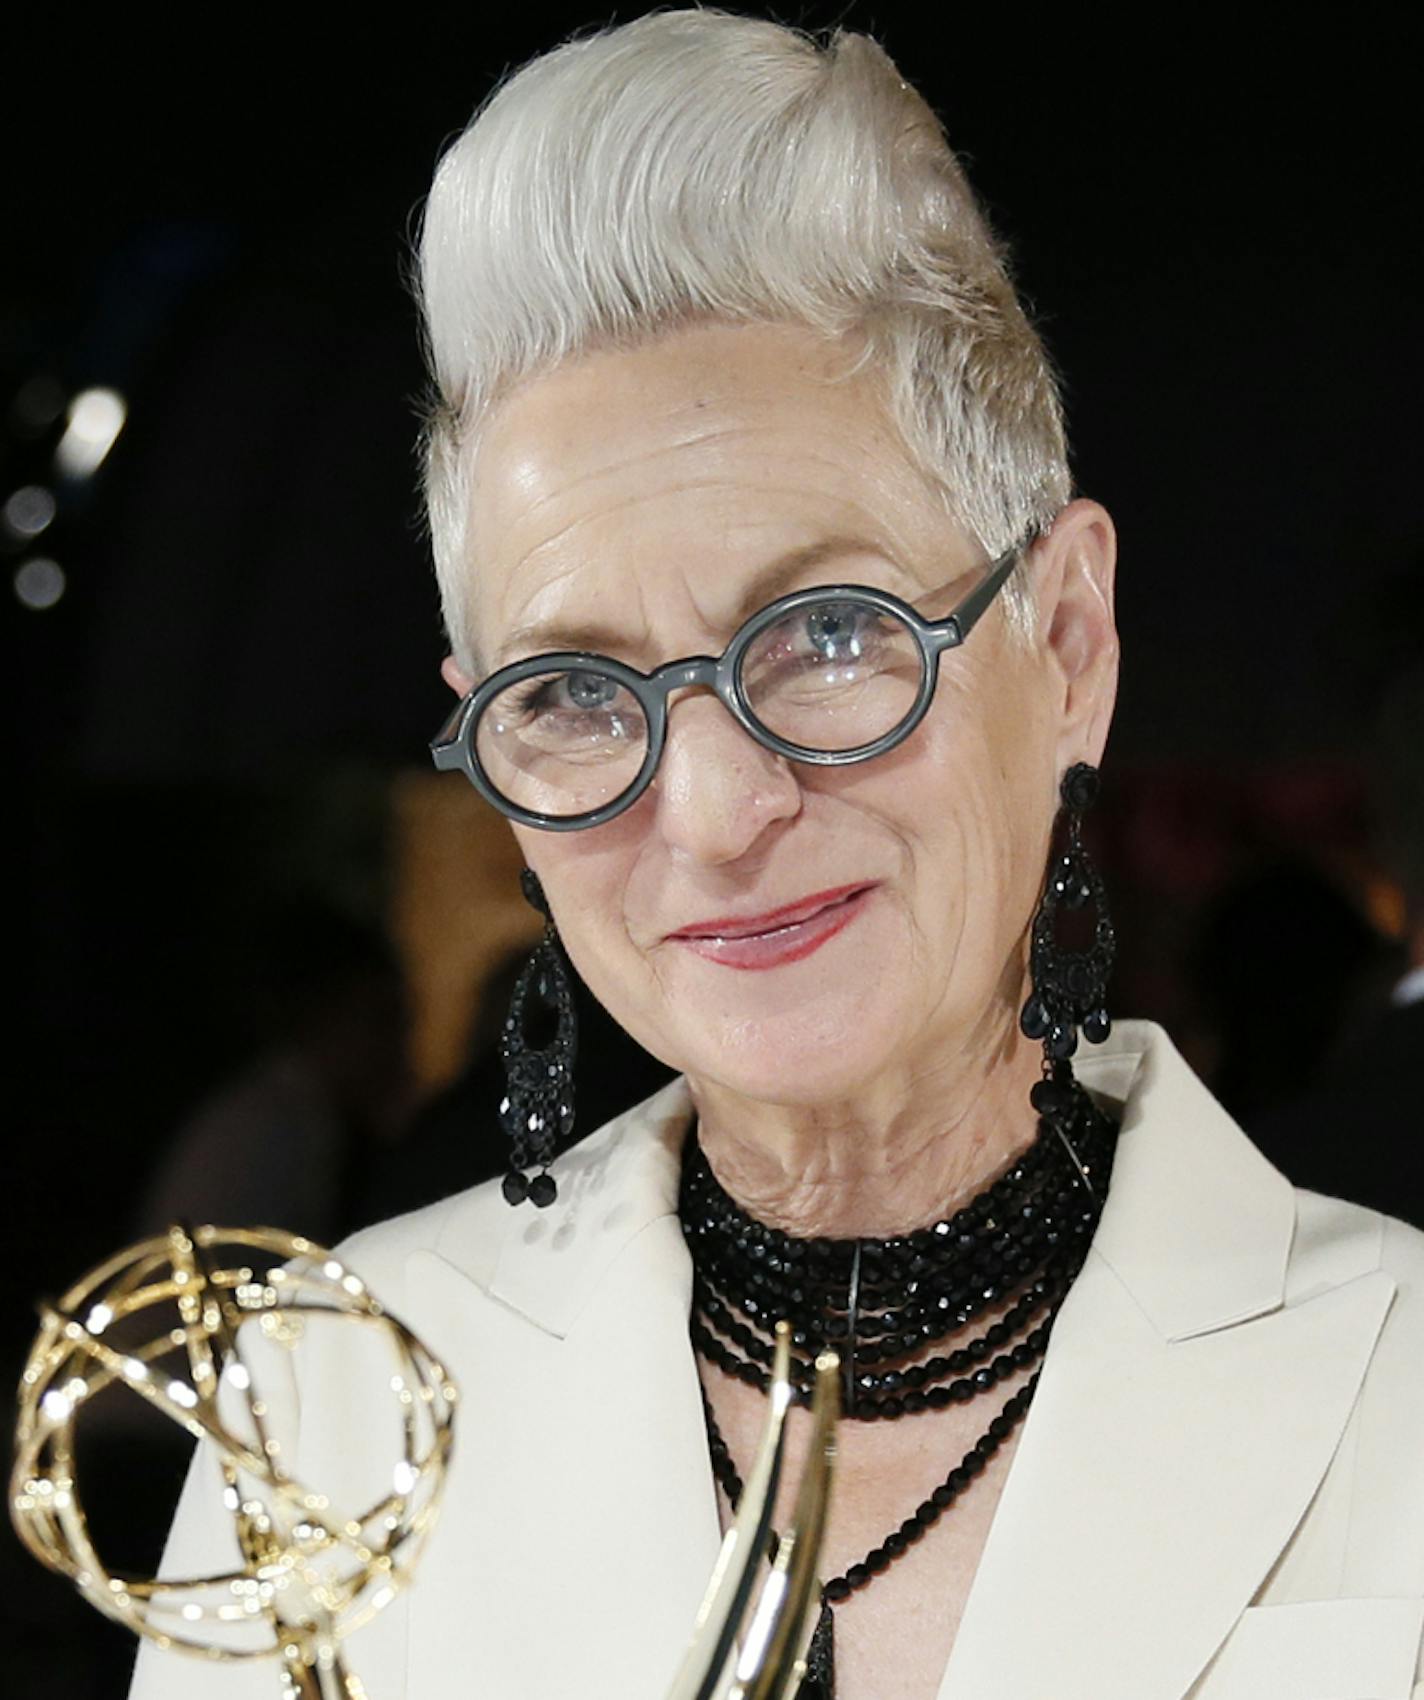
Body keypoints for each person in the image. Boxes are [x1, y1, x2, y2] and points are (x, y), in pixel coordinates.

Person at [129, 13, 1424, 1699]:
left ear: (1073, 643)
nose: (718, 806)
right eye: (577, 692)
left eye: (825, 632)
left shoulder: (1396, 1371)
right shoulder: (333, 1387)